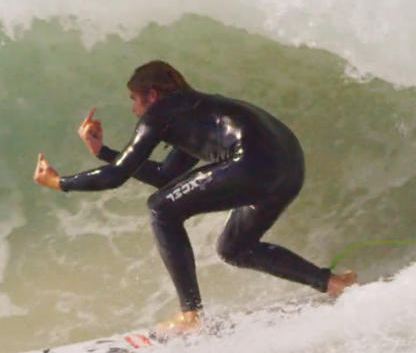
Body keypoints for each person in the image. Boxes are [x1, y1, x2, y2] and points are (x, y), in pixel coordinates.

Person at [33, 60, 356, 336]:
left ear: (152, 96)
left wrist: (59, 182)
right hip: (289, 166)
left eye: (134, 99)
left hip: (254, 161)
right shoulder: (197, 113)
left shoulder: (160, 114)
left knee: (161, 208)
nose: (133, 109)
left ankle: (191, 315)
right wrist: (103, 151)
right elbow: (165, 175)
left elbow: (116, 177)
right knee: (235, 248)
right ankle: (332, 282)